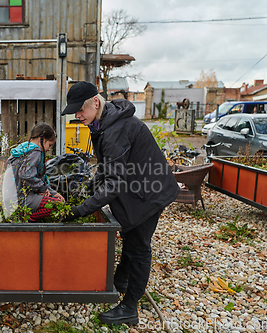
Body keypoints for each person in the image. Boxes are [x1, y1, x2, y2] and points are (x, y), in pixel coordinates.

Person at [61, 81, 179, 325]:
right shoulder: (103, 124)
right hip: (139, 186)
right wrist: (88, 190)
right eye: (74, 111)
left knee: (139, 247)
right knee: (131, 235)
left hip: (149, 192)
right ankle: (122, 281)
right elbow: (107, 168)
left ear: (95, 102)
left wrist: (81, 210)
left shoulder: (116, 129)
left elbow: (114, 182)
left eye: (80, 110)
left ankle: (130, 308)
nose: (77, 115)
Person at [7, 122, 65, 221]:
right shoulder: (35, 151)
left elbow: (32, 178)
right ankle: (28, 218)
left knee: (53, 199)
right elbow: (26, 175)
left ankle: (25, 216)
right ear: (41, 139)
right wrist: (42, 188)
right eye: (49, 145)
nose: (49, 149)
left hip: (11, 198)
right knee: (58, 204)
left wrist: (52, 192)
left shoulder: (23, 149)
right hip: (21, 199)